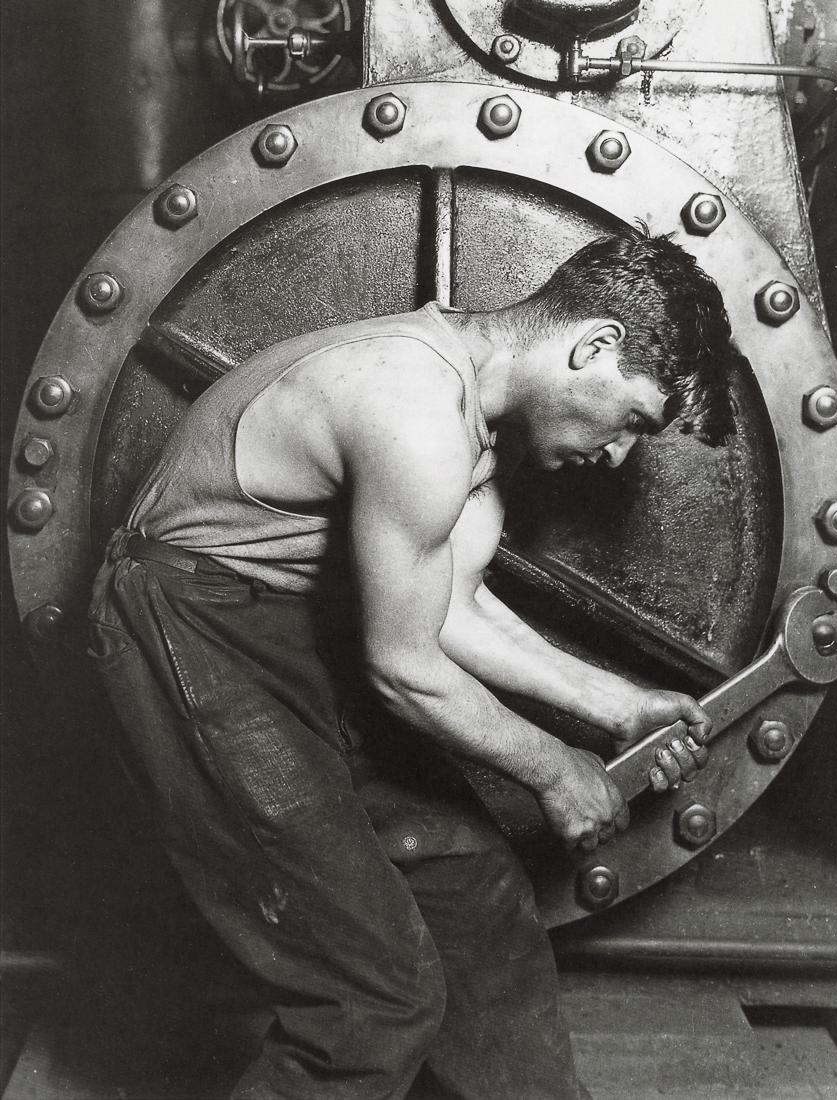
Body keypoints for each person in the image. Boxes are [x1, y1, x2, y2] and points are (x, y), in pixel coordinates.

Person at [88, 224, 735, 1100]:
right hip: (190, 628)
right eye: (630, 420)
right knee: (373, 996)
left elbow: (450, 610)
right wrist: (556, 769)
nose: (617, 454)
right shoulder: (412, 408)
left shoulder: (478, 426)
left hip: (286, 627)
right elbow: (401, 666)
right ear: (595, 345)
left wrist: (618, 705)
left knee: (476, 899)